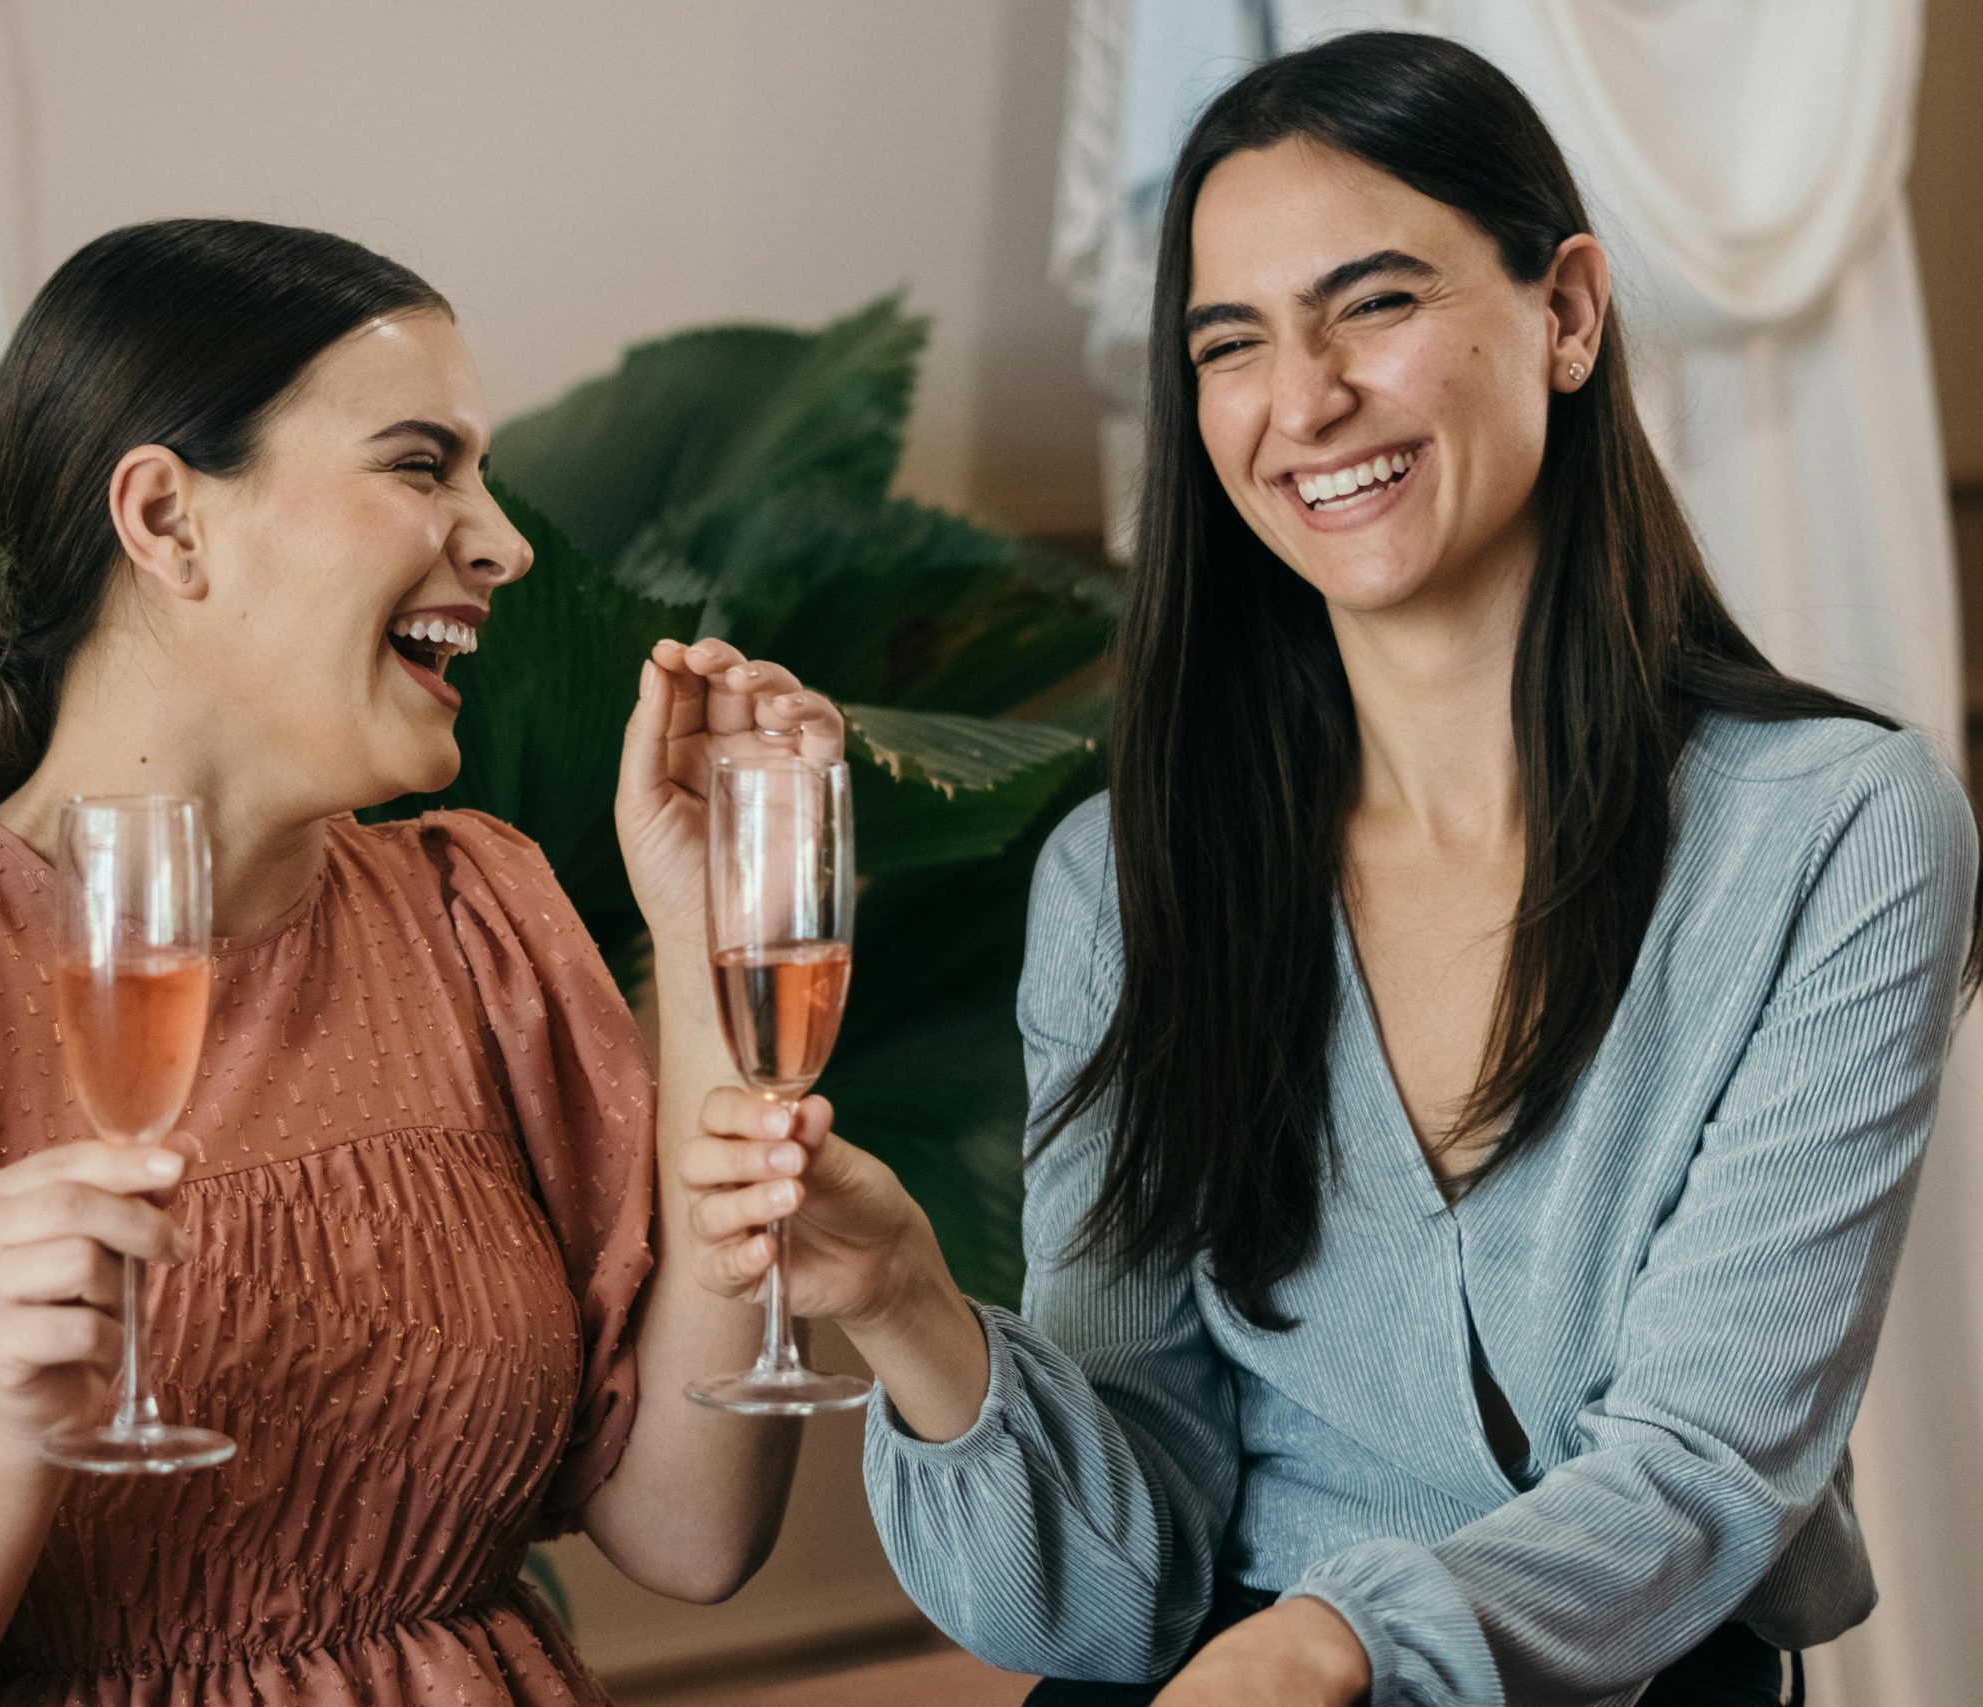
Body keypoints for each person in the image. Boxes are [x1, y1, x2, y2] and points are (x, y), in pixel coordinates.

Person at [676, 33, 1980, 1707]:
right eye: (1232, 343)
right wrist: (910, 1305)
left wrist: (1337, 1646)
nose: (1302, 403)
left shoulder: (1838, 833)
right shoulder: (1126, 884)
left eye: (1374, 304)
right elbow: (1107, 1588)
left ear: (1567, 313)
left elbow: (1706, 1470)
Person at [0, 218, 845, 1707]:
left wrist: (698, 950)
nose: (505, 543)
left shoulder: (476, 916)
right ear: (167, 520)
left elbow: (691, 1530)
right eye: (423, 466)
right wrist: (13, 1435)